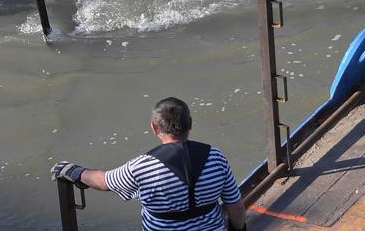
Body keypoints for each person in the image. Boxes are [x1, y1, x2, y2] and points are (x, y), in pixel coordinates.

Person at [51, 97, 246, 231]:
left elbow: (104, 182)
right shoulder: (215, 156)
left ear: (154, 128)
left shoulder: (143, 167)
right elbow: (235, 206)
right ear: (191, 124)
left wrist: (74, 171)